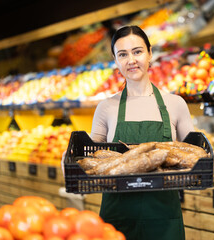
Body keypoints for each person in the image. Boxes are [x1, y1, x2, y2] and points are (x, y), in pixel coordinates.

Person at [89, 25, 194, 240]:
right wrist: (70, 157)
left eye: (137, 51)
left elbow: (193, 152)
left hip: (164, 219)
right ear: (116, 60)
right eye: (123, 54)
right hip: (117, 219)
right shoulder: (106, 107)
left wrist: (209, 156)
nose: (131, 60)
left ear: (150, 53)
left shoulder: (175, 104)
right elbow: (91, 153)